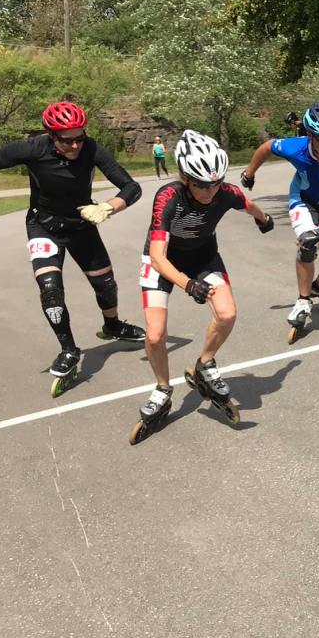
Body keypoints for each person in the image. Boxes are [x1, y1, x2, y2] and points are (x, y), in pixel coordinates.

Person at [0, 101, 146, 395]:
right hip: (43, 226)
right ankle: (69, 349)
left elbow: (131, 187)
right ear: (51, 135)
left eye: (79, 137)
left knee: (105, 285)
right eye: (67, 140)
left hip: (82, 226)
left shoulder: (91, 149)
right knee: (50, 289)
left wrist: (107, 207)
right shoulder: (33, 148)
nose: (75, 145)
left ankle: (112, 325)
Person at [133, 130, 273, 441]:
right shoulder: (168, 197)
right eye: (201, 185)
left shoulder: (225, 192)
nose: (210, 192)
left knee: (227, 314)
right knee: (155, 335)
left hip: (203, 258)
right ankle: (163, 388)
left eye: (216, 183)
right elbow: (157, 257)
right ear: (184, 177)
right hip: (163, 262)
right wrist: (188, 285)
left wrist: (264, 220)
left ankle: (205, 363)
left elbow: (248, 204)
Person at [239, 102, 319, 342]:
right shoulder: (295, 147)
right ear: (310, 135)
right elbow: (266, 147)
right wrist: (249, 173)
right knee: (307, 245)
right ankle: (304, 300)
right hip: (304, 200)